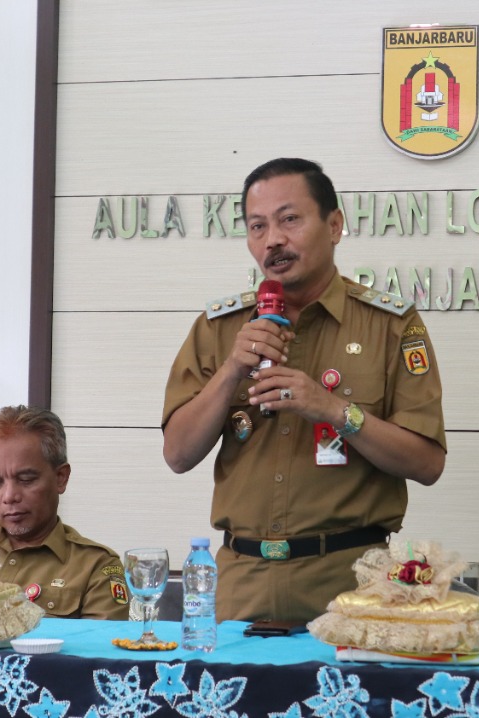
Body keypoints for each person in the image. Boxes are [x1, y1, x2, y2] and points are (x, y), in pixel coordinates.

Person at [162, 157, 447, 623]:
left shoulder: (391, 326)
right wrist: (232, 370)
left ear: (334, 226)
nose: (272, 239)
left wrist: (335, 411)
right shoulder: (219, 328)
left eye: (289, 219)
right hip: (241, 585)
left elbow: (427, 464)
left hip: (354, 586)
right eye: (257, 226)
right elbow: (177, 454)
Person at [0, 405, 130, 620]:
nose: (9, 496)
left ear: (60, 478)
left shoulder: (95, 567)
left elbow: (101, 641)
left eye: (26, 480)